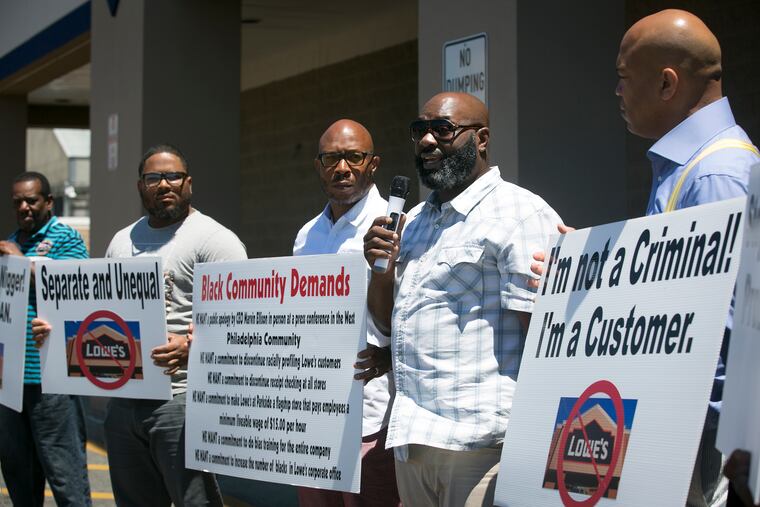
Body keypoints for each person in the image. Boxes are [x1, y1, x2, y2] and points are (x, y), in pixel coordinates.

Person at [532, 9, 760, 507]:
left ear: (666, 84)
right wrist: (596, 280)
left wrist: (701, 458)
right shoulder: (691, 169)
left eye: (622, 78)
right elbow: (673, 299)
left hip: (705, 449)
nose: (616, 92)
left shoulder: (717, 175)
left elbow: (725, 338)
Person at [363, 92, 561, 506]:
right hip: (412, 440)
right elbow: (385, 325)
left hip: (481, 447)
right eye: (420, 131)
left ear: (482, 138)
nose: (428, 142)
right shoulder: (412, 222)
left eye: (444, 130)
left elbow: (544, 340)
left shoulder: (520, 213)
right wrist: (381, 271)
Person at [99, 144, 246, 506]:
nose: (164, 184)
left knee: (194, 502)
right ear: (140, 186)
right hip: (123, 400)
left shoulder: (216, 241)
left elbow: (244, 324)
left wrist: (193, 346)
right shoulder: (121, 241)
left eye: (173, 176)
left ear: (189, 184)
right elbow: (100, 312)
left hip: (180, 402)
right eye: (153, 178)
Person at [293, 119, 401, 507]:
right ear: (318, 166)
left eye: (354, 157)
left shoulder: (395, 227)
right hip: (312, 417)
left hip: (370, 419)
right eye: (331, 158)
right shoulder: (307, 235)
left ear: (373, 164)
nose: (342, 168)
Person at [0, 172, 92, 506]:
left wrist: (20, 262)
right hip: (10, 382)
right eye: (18, 202)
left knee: (65, 475)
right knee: (18, 473)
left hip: (51, 379)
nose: (24, 207)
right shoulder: (11, 241)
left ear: (48, 202)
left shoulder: (65, 238)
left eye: (32, 200)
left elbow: (77, 286)